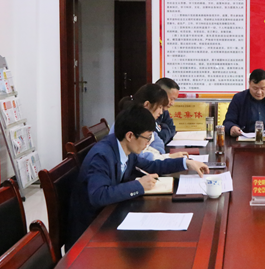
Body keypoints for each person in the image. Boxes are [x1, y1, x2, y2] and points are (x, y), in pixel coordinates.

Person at [67, 105, 209, 249]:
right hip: (91, 231)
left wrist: (185, 163)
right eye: (147, 138)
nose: (147, 144)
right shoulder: (102, 156)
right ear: (130, 136)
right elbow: (99, 195)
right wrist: (139, 185)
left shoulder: (124, 147)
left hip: (109, 214)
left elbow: (152, 166)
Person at [113, 83, 187, 160]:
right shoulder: (131, 121)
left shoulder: (145, 121)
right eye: (159, 107)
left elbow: (158, 143)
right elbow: (139, 158)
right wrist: (166, 157)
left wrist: (161, 156)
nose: (161, 112)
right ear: (147, 104)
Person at [155, 77, 180, 145]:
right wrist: (165, 127)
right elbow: (161, 138)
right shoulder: (150, 113)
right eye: (171, 99)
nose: (172, 103)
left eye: (174, 100)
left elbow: (172, 129)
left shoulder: (164, 111)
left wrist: (163, 126)